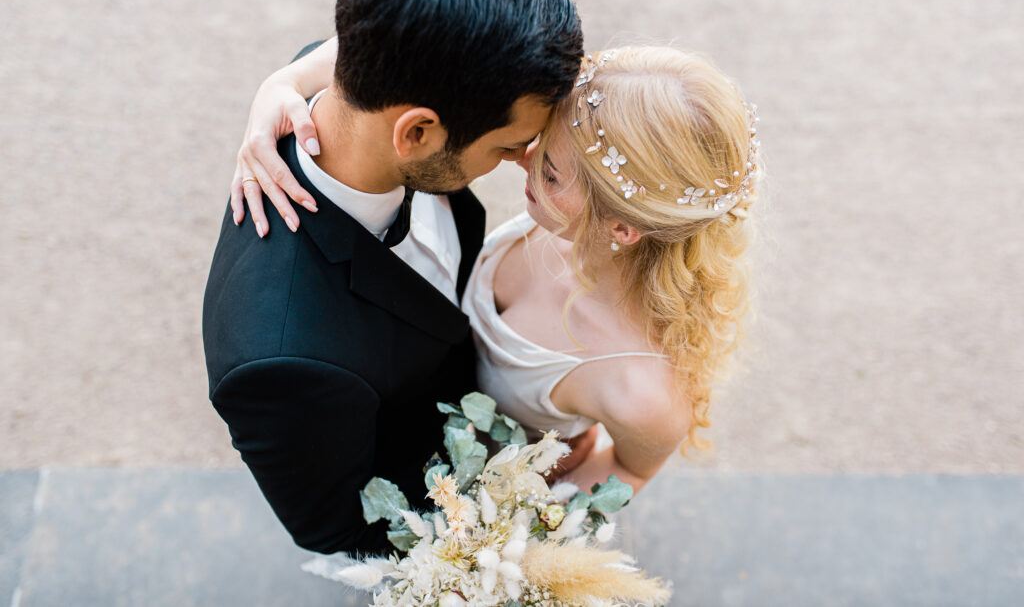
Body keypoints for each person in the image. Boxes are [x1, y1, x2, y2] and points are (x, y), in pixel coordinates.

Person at [202, 0, 583, 556]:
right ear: (418, 134)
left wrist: (282, 79)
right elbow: (340, 526)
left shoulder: (365, 72)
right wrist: (504, 498)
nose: (528, 161)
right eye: (510, 146)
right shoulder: (281, 361)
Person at [235, 45, 760, 496]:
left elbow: (626, 470)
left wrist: (516, 533)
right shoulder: (566, 219)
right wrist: (282, 83)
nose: (521, 157)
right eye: (542, 140)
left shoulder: (644, 394)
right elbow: (406, 42)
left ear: (622, 229)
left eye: (549, 172)